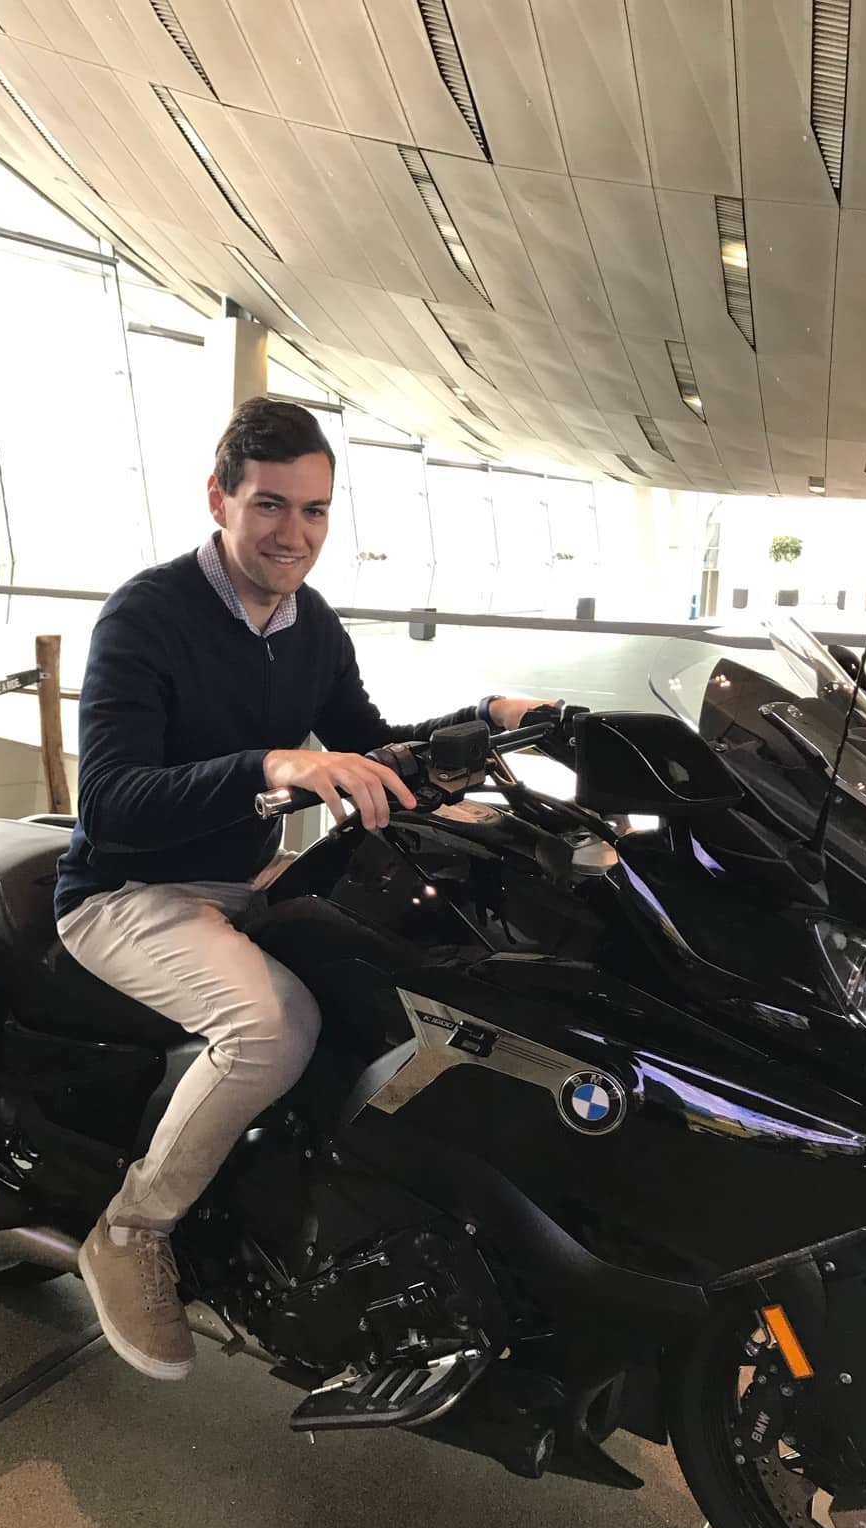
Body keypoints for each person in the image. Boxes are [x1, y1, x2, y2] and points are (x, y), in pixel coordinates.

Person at [55, 396, 555, 1381]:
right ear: (221, 499)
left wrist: (486, 720)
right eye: (271, 506)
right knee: (272, 1027)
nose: (295, 534)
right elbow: (110, 803)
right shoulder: (148, 616)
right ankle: (131, 1227)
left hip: (238, 884)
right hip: (124, 893)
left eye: (316, 511)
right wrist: (271, 768)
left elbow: (363, 743)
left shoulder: (306, 622)